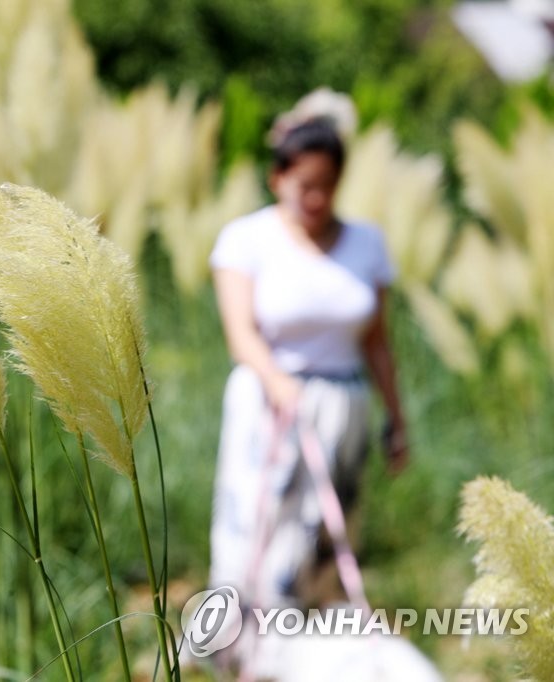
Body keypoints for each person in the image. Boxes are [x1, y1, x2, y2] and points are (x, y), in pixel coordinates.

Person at [202, 112, 409, 674]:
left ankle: (310, 656)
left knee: (325, 536)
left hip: (345, 408)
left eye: (329, 185)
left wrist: (397, 418)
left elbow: (378, 342)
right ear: (278, 179)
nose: (317, 198)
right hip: (270, 403)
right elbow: (241, 333)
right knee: (262, 530)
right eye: (305, 185)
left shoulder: (367, 243)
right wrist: (276, 380)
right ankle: (244, 652)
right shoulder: (246, 239)